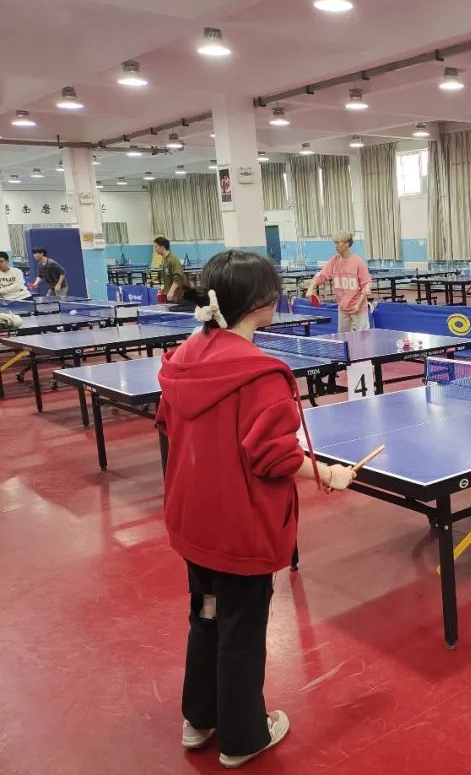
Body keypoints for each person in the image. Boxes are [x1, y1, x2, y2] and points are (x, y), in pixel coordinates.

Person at [156, 250, 357, 767]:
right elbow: (275, 458)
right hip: (239, 528)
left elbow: (168, 427)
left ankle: (199, 719)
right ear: (263, 304)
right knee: (242, 630)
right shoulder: (261, 373)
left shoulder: (181, 358)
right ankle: (243, 737)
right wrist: (329, 474)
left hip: (192, 520)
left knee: (207, 613)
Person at [304, 234, 371, 332]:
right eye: (334, 243)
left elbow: (366, 286)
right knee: (343, 338)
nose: (335, 246)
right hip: (343, 308)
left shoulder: (359, 262)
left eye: (338, 243)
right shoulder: (333, 261)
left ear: (347, 243)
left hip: (358, 308)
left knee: (363, 337)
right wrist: (310, 288)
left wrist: (358, 304)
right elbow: (321, 275)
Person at [153, 237, 187, 304]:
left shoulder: (173, 260)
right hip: (168, 295)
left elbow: (178, 277)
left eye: (156, 246)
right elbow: (168, 277)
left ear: (162, 247)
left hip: (176, 297)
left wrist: (171, 291)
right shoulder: (164, 260)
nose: (155, 249)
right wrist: (163, 287)